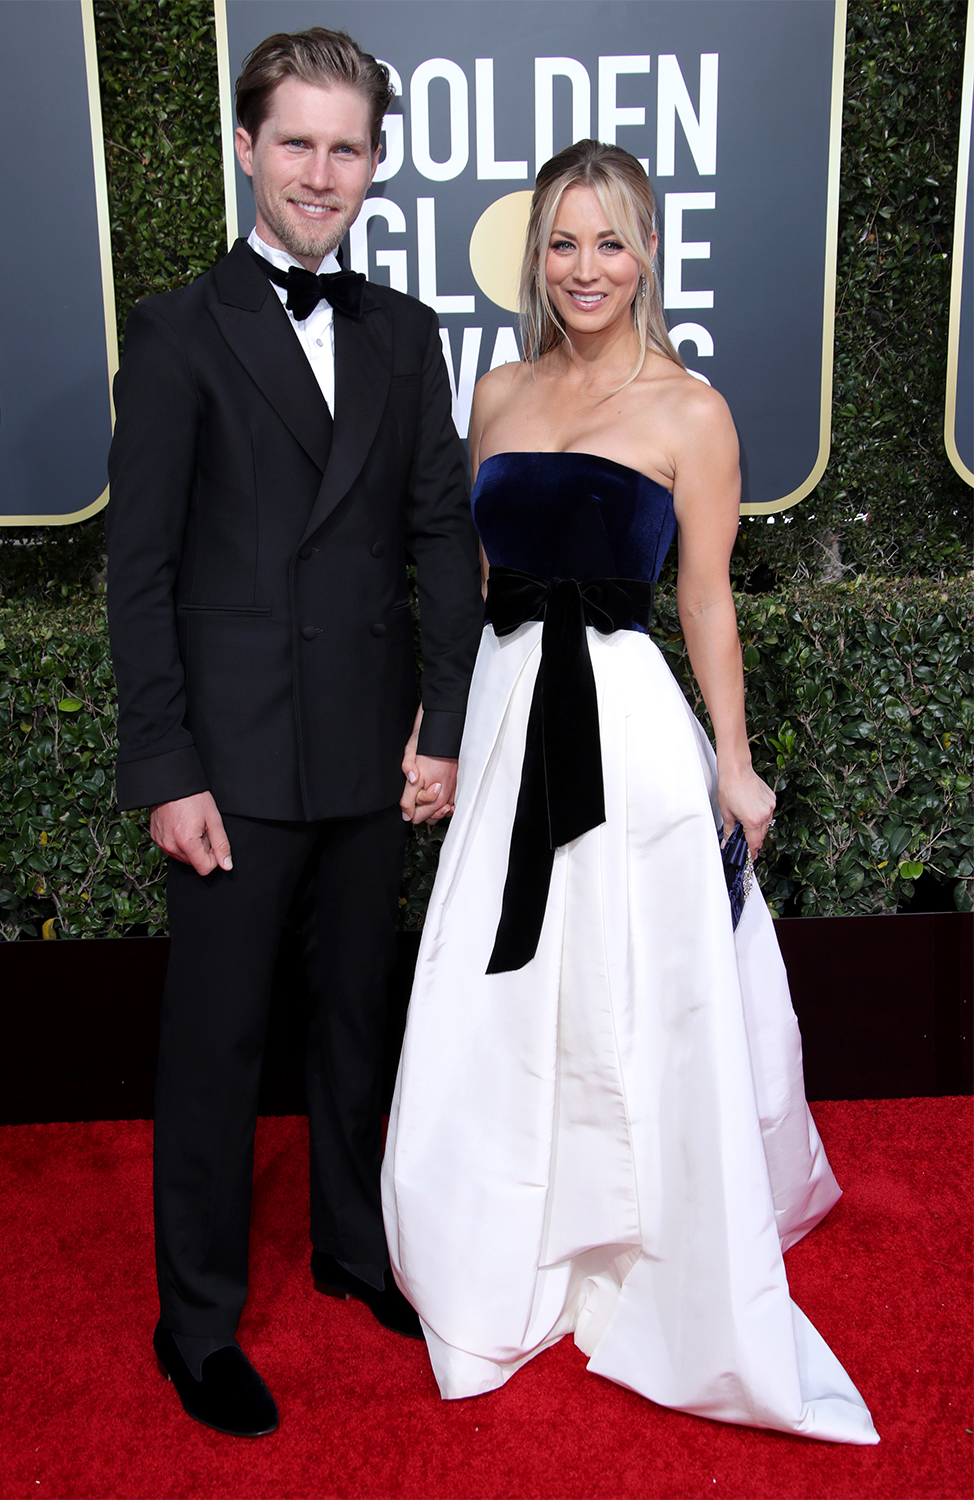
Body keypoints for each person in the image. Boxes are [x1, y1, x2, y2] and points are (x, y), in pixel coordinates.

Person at [382, 140, 879, 1445]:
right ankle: (504, 1236)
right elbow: (478, 595)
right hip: (504, 721)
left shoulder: (691, 412)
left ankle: (640, 1239)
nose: (585, 268)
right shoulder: (493, 393)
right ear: (533, 256)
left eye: (610, 241)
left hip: (624, 730)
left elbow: (706, 600)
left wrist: (736, 756)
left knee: (630, 984)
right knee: (508, 980)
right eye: (562, 242)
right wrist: (437, 732)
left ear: (648, 251)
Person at [105, 28, 483, 1438]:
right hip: (235, 769)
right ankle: (193, 1321)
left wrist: (441, 723)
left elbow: (441, 538)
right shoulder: (178, 329)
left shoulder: (403, 331)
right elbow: (138, 573)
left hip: (372, 752)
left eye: (349, 148)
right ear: (247, 149)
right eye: (298, 143)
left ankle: (346, 1244)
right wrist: (166, 768)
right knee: (212, 1050)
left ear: (376, 166)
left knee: (353, 1025)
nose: (322, 172)